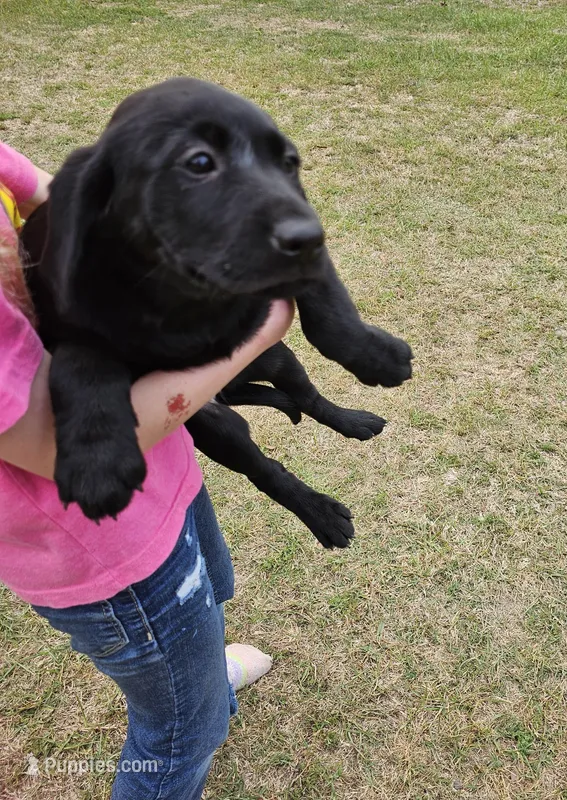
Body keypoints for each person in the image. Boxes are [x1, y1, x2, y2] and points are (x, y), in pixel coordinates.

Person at [0, 140, 293, 799]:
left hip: (162, 471)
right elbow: (63, 446)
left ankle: (204, 677)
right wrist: (254, 328)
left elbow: (58, 196)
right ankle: (198, 702)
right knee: (179, 736)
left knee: (208, 594)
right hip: (104, 550)